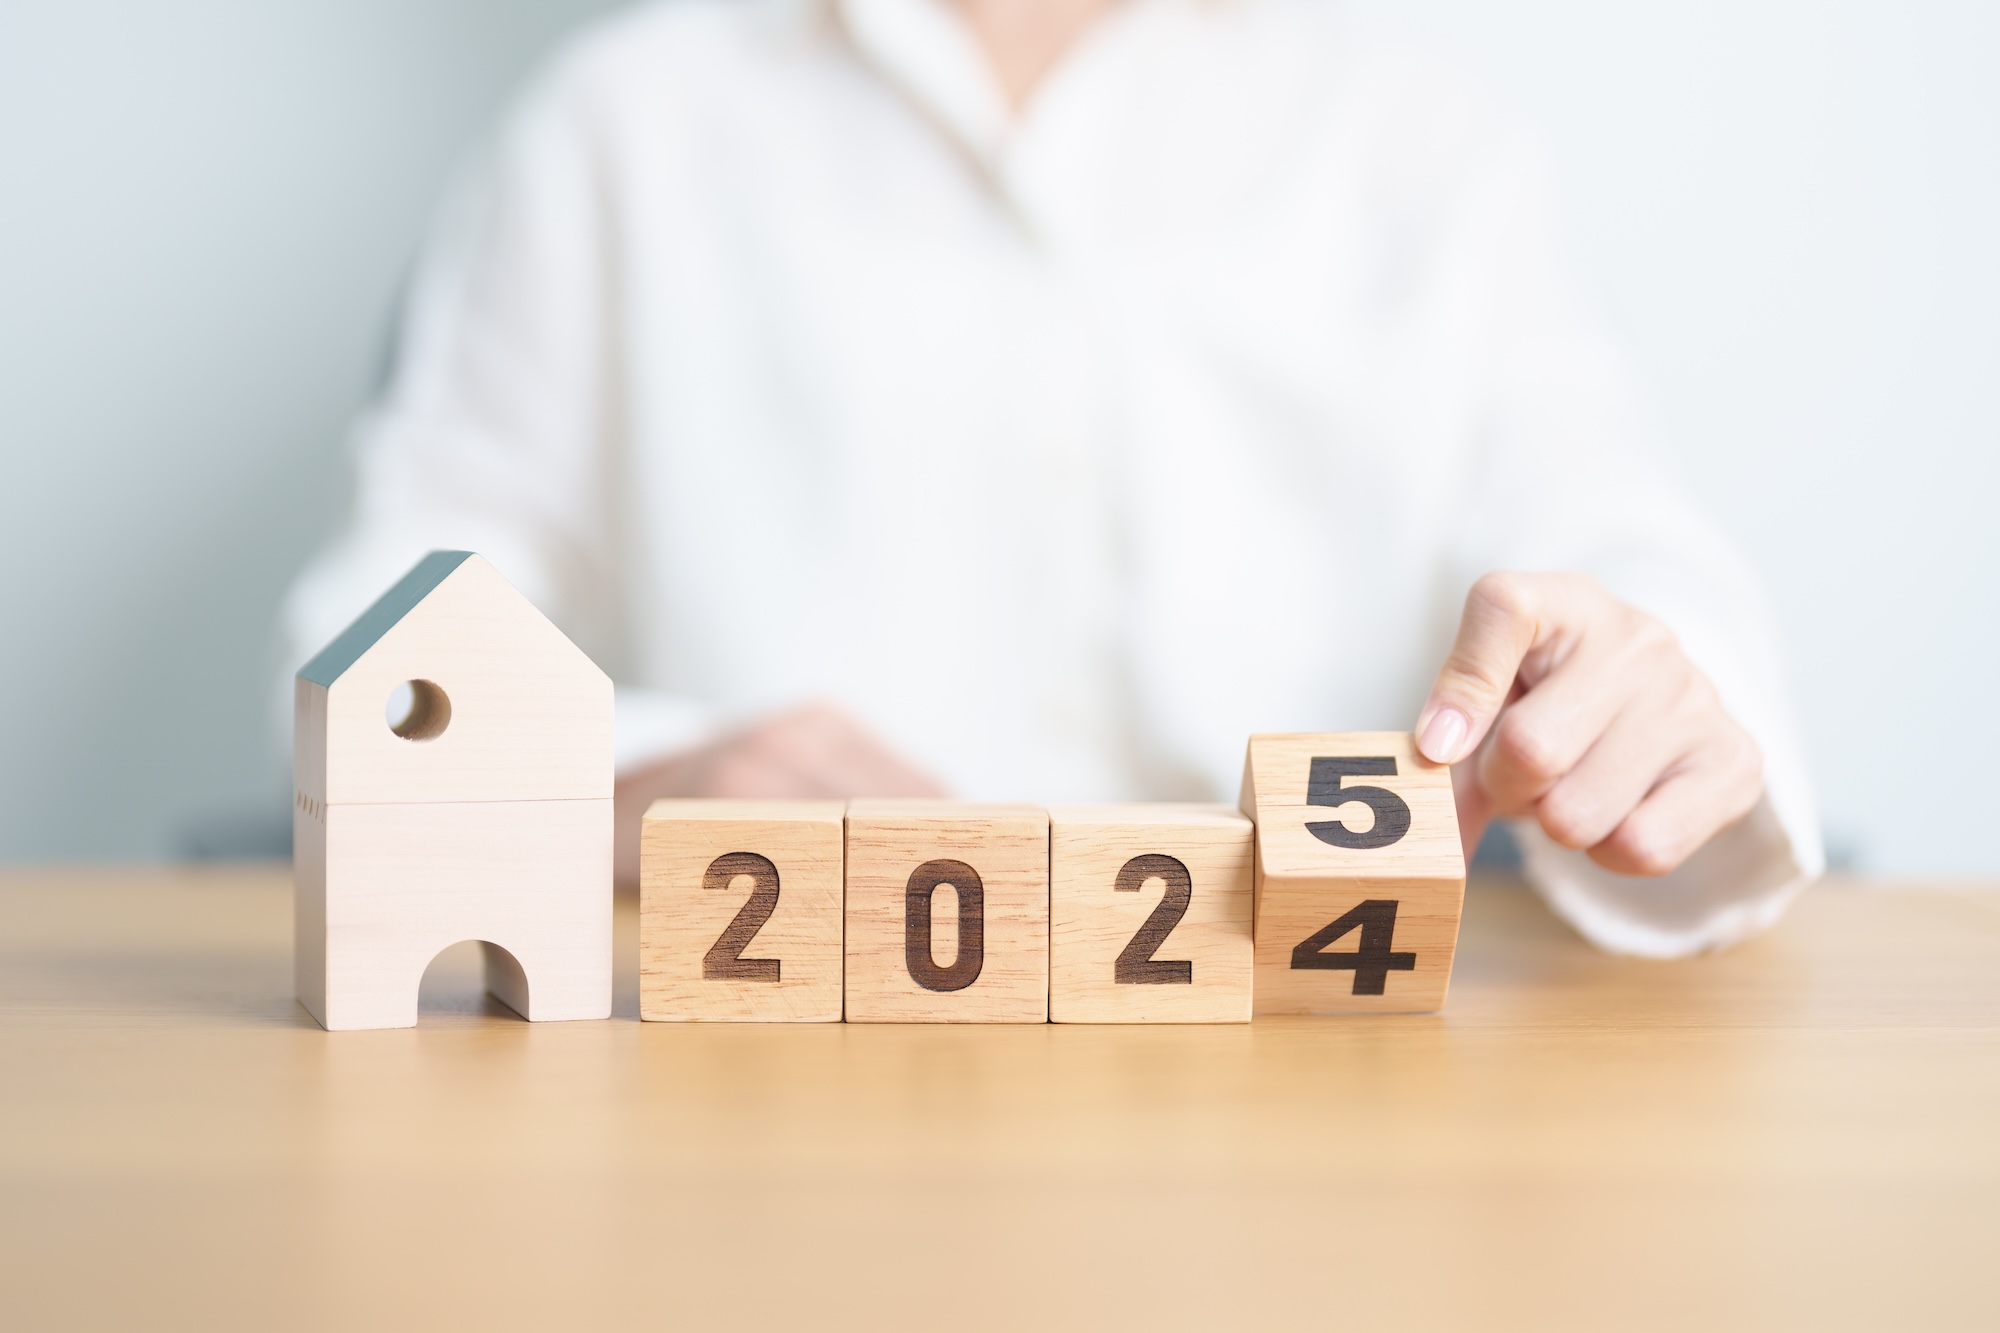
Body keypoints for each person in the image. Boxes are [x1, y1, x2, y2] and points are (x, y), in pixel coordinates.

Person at [279, 0, 1822, 956]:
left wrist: (1647, 690)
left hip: (1333, 1091)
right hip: (771, 1094)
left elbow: (1618, 542)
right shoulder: (621, 121)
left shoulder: (1420, 135)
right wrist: (626, 790)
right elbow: (380, 629)